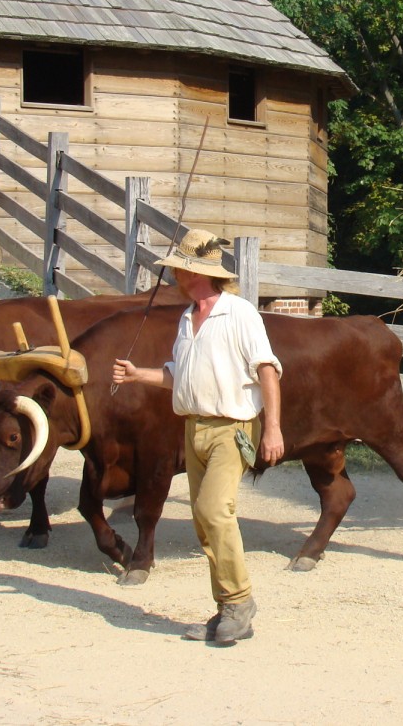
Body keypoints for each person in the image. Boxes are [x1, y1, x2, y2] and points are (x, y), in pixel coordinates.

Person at [112, 228, 283, 645]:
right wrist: (139, 375)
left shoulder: (239, 313)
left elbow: (267, 370)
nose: (173, 277)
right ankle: (226, 608)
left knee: (213, 510)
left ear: (196, 274)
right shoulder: (187, 320)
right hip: (194, 428)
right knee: (203, 522)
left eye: (179, 270)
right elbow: (177, 376)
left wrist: (273, 429)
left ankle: (240, 603)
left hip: (233, 428)